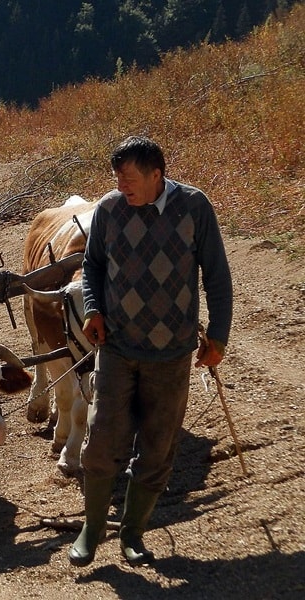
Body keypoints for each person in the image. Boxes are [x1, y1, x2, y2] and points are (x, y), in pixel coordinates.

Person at [71, 136, 233, 567]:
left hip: (172, 354)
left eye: (129, 178)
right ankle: (91, 529)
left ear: (157, 174)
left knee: (158, 447)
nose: (122, 185)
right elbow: (92, 265)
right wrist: (94, 309)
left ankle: (133, 534)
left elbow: (217, 274)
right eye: (117, 178)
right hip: (117, 347)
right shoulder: (109, 209)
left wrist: (218, 336)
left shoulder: (195, 208)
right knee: (102, 438)